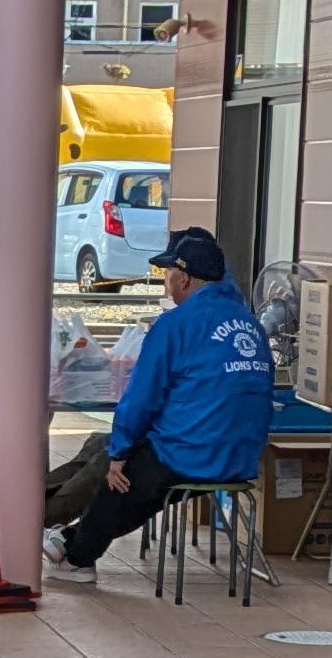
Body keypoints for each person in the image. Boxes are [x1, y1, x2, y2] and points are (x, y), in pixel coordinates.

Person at [50, 228, 279, 579]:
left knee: (120, 474)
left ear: (184, 278)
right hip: (242, 455)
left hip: (192, 452)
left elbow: (142, 395)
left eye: (167, 273)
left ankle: (74, 554)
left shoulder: (175, 324)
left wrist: (122, 451)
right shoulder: (250, 324)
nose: (165, 282)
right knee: (125, 466)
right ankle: (63, 534)